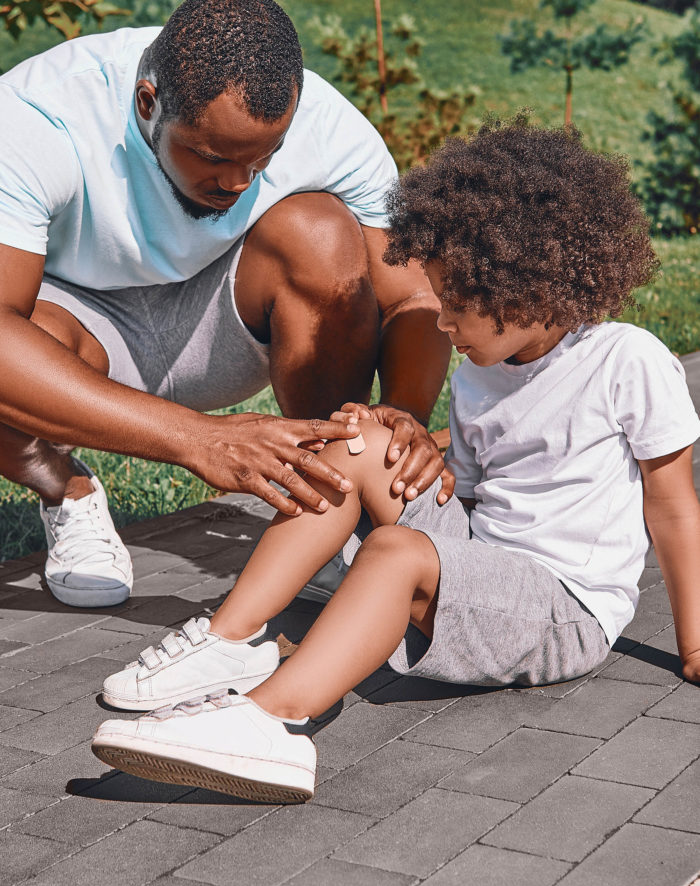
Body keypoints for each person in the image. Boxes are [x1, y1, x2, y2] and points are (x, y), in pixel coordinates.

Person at [92, 120, 700, 804]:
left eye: (458, 306)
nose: (441, 324)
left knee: (396, 551)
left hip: (565, 608)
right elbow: (474, 481)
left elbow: (672, 504)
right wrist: (410, 444)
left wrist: (695, 639)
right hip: (485, 558)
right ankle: (230, 637)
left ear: (526, 289)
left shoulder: (628, 360)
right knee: (361, 440)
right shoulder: (480, 373)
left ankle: (270, 721)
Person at [0, 0, 451, 608]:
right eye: (213, 157)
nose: (239, 182)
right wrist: (200, 440)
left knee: (321, 232)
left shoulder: (324, 124)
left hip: (219, 322)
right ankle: (66, 488)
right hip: (72, 331)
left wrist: (399, 418)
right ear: (147, 104)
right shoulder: (38, 118)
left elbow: (412, 298)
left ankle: (326, 510)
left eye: (262, 159)